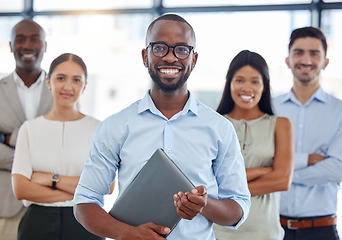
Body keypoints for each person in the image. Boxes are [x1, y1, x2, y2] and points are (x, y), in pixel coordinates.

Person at [72, 14, 251, 240]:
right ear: (145, 55)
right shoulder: (115, 126)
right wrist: (128, 233)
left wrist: (203, 205)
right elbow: (84, 202)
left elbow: (239, 208)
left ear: (193, 59)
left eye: (181, 50)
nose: (170, 57)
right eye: (159, 48)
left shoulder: (219, 128)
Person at [11, 53, 112, 240]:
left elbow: (107, 185)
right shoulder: (29, 129)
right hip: (37, 223)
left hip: (87, 222)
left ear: (84, 86)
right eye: (60, 78)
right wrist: (81, 191)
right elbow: (21, 189)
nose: (68, 86)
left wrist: (50, 179)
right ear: (49, 82)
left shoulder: (99, 129)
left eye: (76, 80)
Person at [0, 19, 53, 240]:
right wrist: (39, 163)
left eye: (35, 39)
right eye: (20, 40)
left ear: (45, 46)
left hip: (49, 206)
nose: (27, 46)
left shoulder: (62, 92)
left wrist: (7, 138)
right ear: (11, 46)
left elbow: (67, 144)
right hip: (1, 205)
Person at [213, 50, 294, 239]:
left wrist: (228, 189)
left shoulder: (281, 125)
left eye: (255, 81)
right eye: (239, 80)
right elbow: (207, 182)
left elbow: (282, 180)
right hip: (217, 233)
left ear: (264, 86)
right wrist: (264, 171)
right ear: (229, 83)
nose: (247, 88)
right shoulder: (213, 124)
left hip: (265, 234)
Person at [274, 26, 342, 240]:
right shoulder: (270, 109)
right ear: (288, 60)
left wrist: (278, 175)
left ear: (325, 61)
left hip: (322, 230)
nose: (306, 60)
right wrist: (309, 160)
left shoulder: (339, 111)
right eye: (298, 52)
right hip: (273, 228)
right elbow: (259, 160)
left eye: (314, 53)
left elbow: (337, 169)